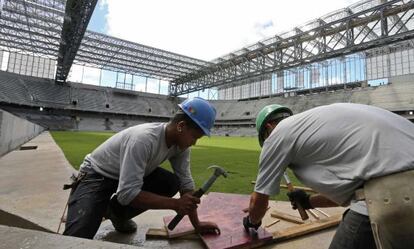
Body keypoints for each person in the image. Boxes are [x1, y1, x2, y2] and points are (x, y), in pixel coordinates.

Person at [243, 103, 414, 249]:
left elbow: (259, 201)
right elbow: (359, 193)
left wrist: (252, 221)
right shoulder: (318, 122)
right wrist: (308, 202)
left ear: (268, 128)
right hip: (394, 191)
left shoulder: (277, 135)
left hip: (391, 198)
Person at [63, 97, 220, 239]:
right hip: (96, 174)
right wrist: (175, 204)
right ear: (181, 126)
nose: (194, 142)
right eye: (195, 137)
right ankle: (99, 207)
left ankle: (115, 214)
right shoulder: (144, 140)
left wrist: (197, 225)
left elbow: (186, 186)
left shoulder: (181, 147)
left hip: (124, 175)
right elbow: (126, 194)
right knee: (78, 238)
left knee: (171, 182)